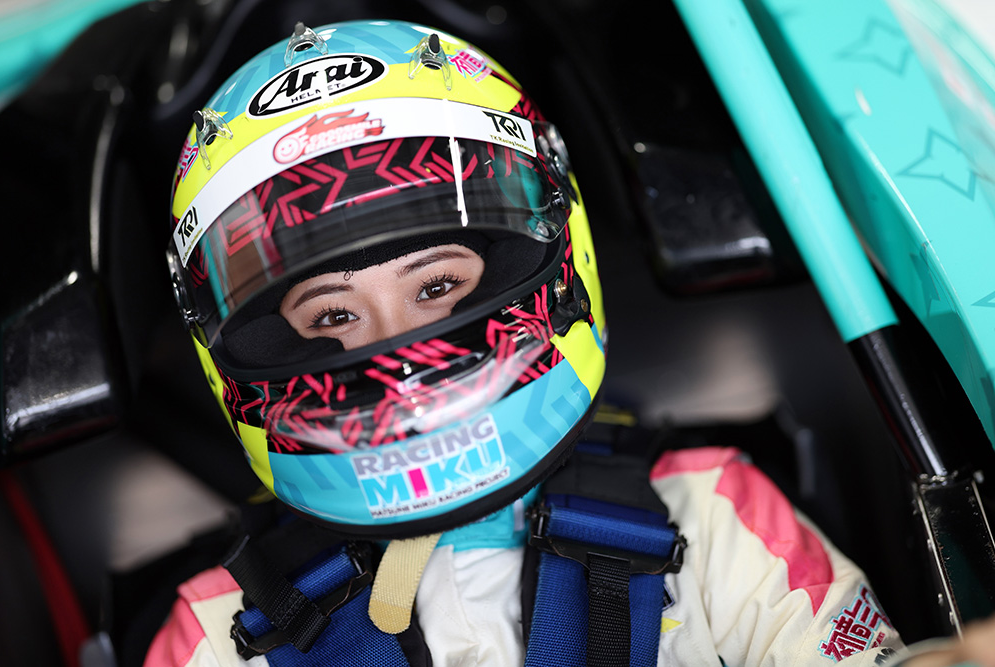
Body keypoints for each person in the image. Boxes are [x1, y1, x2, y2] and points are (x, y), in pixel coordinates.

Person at [147, 18, 990, 667]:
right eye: (333, 315)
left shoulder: (710, 511)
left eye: (436, 287)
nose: (399, 349)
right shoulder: (220, 627)